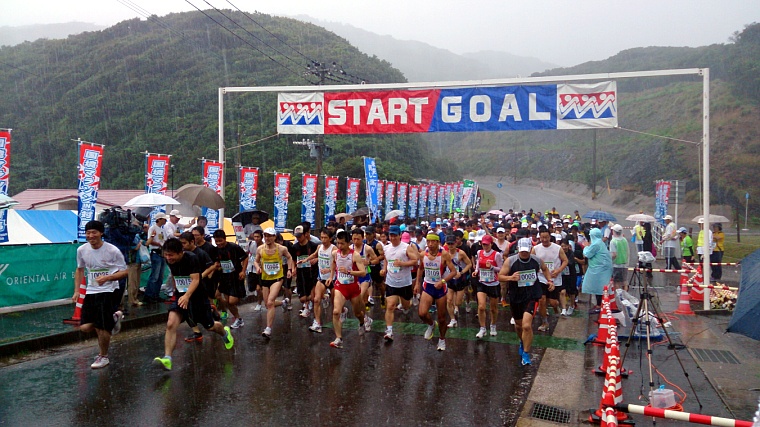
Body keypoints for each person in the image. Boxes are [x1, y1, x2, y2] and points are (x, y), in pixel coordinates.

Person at [153, 239, 233, 371]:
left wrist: (187, 296)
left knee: (210, 326)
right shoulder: (169, 260)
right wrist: (176, 292)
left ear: (180, 252)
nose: (168, 258)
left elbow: (196, 280)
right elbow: (174, 275)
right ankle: (167, 359)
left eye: (171, 255)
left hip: (197, 297)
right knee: (171, 324)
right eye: (166, 255)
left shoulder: (192, 258)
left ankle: (225, 333)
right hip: (180, 297)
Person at [73, 220, 129, 369]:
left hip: (109, 290)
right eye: (88, 233)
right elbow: (79, 270)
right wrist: (77, 291)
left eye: (94, 232)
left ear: (101, 233)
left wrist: (108, 278)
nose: (91, 236)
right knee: (85, 327)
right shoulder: (81, 250)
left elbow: (125, 271)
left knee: (101, 327)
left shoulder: (112, 250)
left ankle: (103, 356)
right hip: (92, 291)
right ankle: (114, 318)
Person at [499, 238, 553, 366]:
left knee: (527, 326)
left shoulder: (536, 260)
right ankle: (522, 342)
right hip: (516, 296)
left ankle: (526, 353)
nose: (524, 253)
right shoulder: (511, 260)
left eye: (526, 250)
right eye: (522, 250)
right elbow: (500, 276)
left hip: (532, 295)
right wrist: (511, 277)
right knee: (518, 326)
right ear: (518, 249)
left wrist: (549, 280)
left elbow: (545, 269)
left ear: (530, 249)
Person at [415, 233, 458, 351]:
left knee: (442, 318)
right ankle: (431, 324)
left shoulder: (444, 254)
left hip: (440, 288)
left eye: (433, 242)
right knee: (422, 313)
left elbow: (453, 272)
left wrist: (443, 281)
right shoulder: (423, 254)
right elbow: (420, 268)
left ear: (438, 242)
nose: (430, 244)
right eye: (428, 242)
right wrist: (417, 284)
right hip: (428, 285)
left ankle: (442, 339)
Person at [380, 225, 419, 342]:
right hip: (391, 282)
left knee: (406, 305)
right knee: (390, 306)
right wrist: (384, 269)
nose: (392, 238)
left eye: (395, 236)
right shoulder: (386, 248)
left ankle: (406, 305)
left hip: (404, 282)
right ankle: (389, 331)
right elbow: (386, 259)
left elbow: (415, 261)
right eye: (391, 235)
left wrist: (403, 264)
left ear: (400, 235)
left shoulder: (406, 247)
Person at [329, 230, 367, 349]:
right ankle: (339, 338)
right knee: (336, 312)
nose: (340, 246)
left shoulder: (355, 255)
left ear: (348, 243)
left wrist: (349, 272)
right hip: (340, 286)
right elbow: (333, 264)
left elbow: (363, 272)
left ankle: (362, 323)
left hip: (353, 288)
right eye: (338, 243)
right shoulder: (335, 253)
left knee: (357, 313)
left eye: (342, 243)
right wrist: (331, 276)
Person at [254, 227, 294, 338]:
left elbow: (289, 257)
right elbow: (256, 261)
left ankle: (268, 329)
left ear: (274, 237)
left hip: (277, 278)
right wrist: (257, 267)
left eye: (269, 236)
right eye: (265, 236)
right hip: (265, 278)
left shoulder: (281, 249)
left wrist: (289, 270)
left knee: (270, 302)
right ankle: (283, 302)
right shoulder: (260, 249)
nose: (267, 238)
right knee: (267, 304)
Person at [179, 232, 218, 343]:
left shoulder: (200, 253)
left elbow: (212, 266)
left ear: (192, 242)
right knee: (186, 309)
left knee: (207, 323)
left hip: (200, 286)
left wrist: (201, 276)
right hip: (186, 287)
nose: (182, 246)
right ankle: (197, 332)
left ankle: (211, 309)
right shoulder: (182, 254)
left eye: (184, 243)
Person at [299, 228, 336, 333]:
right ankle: (317, 323)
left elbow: (339, 264)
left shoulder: (334, 249)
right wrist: (305, 260)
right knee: (316, 300)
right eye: (322, 237)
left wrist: (329, 270)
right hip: (321, 278)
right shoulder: (319, 247)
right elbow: (315, 254)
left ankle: (343, 311)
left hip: (333, 279)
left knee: (334, 303)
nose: (323, 240)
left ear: (330, 239)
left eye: (325, 238)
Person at [532, 227, 567, 331]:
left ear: (550, 236)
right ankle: (544, 322)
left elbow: (565, 260)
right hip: (541, 278)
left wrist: (558, 270)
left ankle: (556, 307)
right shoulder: (536, 248)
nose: (544, 240)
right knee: (542, 300)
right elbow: (531, 261)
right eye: (542, 237)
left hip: (554, 278)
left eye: (546, 237)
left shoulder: (557, 248)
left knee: (553, 302)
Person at [212, 229, 248, 329]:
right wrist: (218, 266)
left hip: (235, 277)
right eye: (216, 241)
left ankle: (237, 316)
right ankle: (238, 319)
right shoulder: (216, 250)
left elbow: (245, 258)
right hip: (224, 278)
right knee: (226, 300)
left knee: (231, 302)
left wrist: (243, 271)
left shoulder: (234, 247)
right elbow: (217, 262)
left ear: (225, 239)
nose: (219, 243)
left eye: (220, 241)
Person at [472, 234, 503, 339]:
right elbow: (478, 264)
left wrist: (492, 267)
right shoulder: (479, 252)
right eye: (483, 244)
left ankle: (493, 325)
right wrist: (476, 271)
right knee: (481, 306)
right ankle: (482, 328)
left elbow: (501, 269)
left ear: (491, 244)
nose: (485, 246)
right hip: (482, 283)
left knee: (493, 309)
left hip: (493, 284)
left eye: (487, 244)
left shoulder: (496, 255)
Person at [291, 224, 319, 319]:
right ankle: (322, 296)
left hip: (312, 272)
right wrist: (293, 269)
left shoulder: (313, 245)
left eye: (300, 236)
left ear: (305, 234)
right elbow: (293, 259)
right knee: (303, 298)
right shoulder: (295, 247)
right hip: (301, 273)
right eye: (296, 236)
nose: (298, 238)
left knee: (312, 296)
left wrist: (316, 259)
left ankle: (308, 309)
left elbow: (320, 256)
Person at [445, 234, 472, 329]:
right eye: (448, 244)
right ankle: (452, 320)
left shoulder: (461, 253)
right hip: (450, 279)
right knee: (449, 300)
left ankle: (459, 303)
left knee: (458, 302)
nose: (450, 245)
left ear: (456, 243)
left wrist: (461, 272)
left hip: (460, 279)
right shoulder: (445, 253)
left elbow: (469, 264)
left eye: (452, 243)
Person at [583, 228, 613, 311]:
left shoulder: (596, 244)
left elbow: (587, 254)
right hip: (601, 268)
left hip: (599, 268)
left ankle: (599, 305)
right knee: (599, 286)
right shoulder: (600, 242)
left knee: (599, 287)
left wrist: (586, 247)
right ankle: (599, 304)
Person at [144, 213, 168, 303]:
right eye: (164, 219)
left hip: (162, 253)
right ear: (159, 219)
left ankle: (155, 295)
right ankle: (149, 295)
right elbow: (150, 241)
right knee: (155, 276)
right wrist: (159, 244)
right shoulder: (153, 228)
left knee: (160, 276)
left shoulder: (162, 230)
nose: (165, 221)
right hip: (155, 253)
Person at [609, 224, 629, 291]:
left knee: (616, 282)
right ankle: (625, 295)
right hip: (624, 263)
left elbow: (614, 254)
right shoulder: (624, 240)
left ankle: (618, 296)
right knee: (624, 282)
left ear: (614, 231)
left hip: (616, 265)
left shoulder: (613, 241)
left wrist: (609, 260)